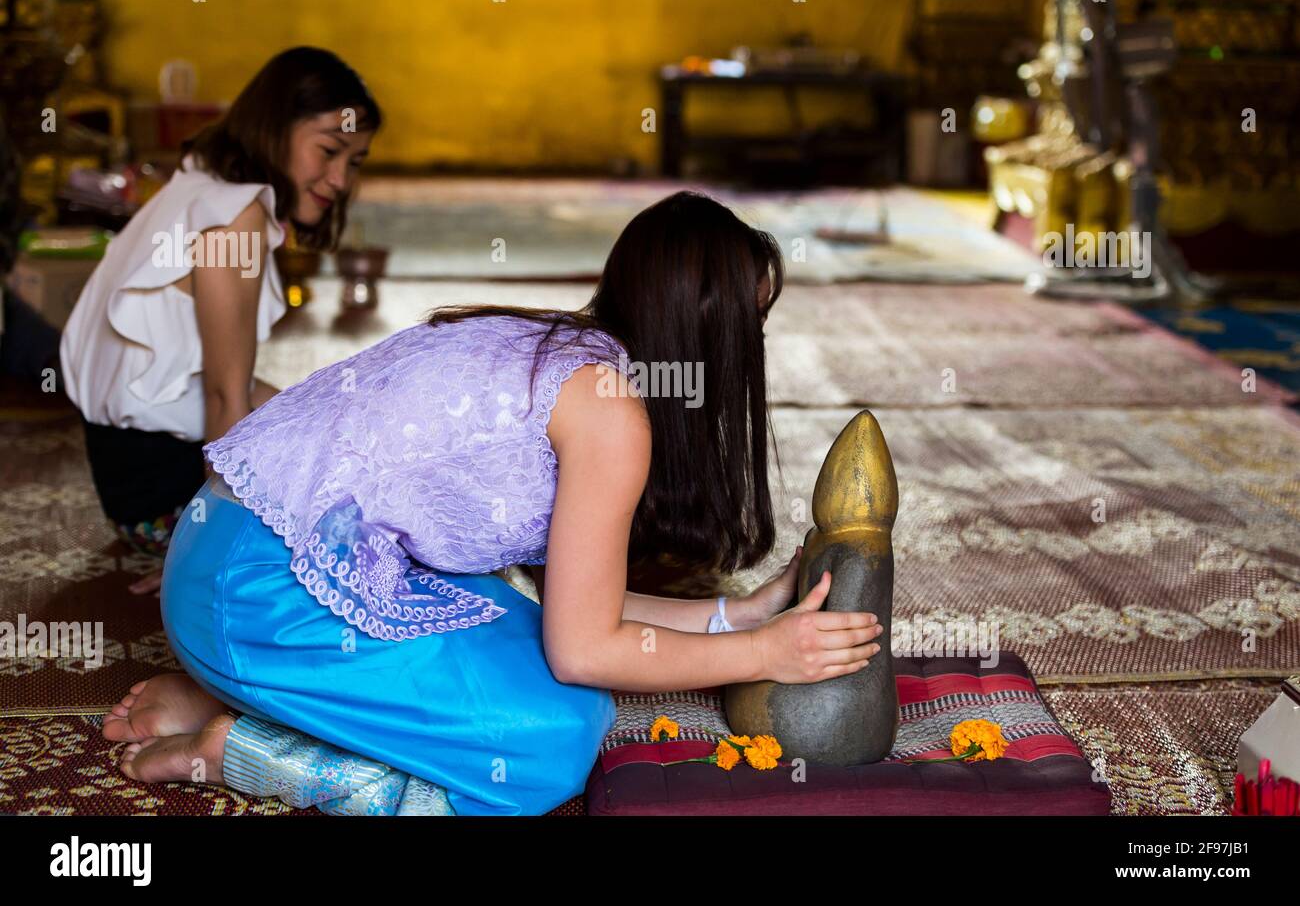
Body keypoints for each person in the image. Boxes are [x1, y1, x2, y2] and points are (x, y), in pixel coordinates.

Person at [100, 191, 885, 815]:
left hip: (242, 553)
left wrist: (743, 615)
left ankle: (229, 683)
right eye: (753, 325)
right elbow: (585, 649)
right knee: (554, 736)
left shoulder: (568, 355)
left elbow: (582, 607)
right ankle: (248, 740)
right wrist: (764, 656)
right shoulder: (611, 412)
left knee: (519, 626)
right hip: (253, 588)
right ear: (710, 335)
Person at [59, 46, 380, 593]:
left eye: (353, 162)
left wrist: (335, 426)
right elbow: (226, 397)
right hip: (166, 502)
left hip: (131, 484)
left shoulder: (198, 188)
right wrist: (206, 556)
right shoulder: (236, 219)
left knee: (351, 442)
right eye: (329, 150)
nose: (339, 179)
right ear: (276, 127)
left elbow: (231, 382)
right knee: (368, 530)